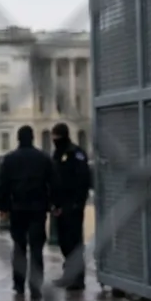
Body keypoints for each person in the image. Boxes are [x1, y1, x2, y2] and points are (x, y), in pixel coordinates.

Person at [0, 125, 55, 300]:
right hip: (37, 207)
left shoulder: (10, 159)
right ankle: (36, 285)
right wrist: (53, 203)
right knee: (36, 247)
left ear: (18, 139)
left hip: (17, 207)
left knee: (19, 246)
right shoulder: (43, 158)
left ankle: (19, 283)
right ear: (33, 138)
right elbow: (53, 182)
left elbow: (2, 184)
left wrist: (1, 205)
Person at [50, 122, 92, 290]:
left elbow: (83, 179)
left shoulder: (76, 153)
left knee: (74, 241)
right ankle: (68, 274)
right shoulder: (57, 153)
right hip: (60, 203)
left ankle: (78, 278)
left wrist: (78, 202)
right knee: (63, 241)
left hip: (73, 203)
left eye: (56, 137)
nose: (54, 140)